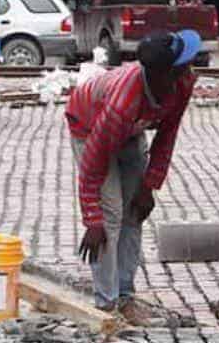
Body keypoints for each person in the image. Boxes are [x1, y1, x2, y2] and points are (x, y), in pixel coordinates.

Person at [67, 30, 199, 326]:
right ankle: (106, 304)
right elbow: (93, 165)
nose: (190, 70)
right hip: (89, 125)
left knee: (134, 212)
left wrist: (149, 185)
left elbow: (168, 134)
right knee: (110, 214)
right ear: (163, 74)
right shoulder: (120, 104)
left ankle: (125, 295)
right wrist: (93, 218)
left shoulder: (183, 83)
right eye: (183, 65)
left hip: (131, 129)